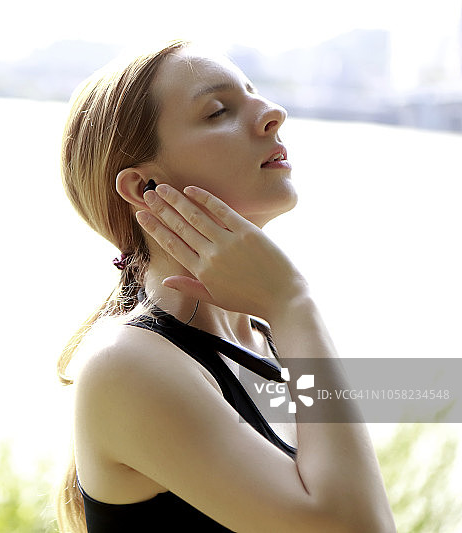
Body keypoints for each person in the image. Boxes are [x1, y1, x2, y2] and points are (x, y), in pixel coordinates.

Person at [55, 40, 395, 533]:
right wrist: (293, 301)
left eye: (255, 93)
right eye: (218, 111)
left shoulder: (266, 341)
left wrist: (287, 312)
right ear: (142, 188)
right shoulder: (125, 362)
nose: (273, 113)